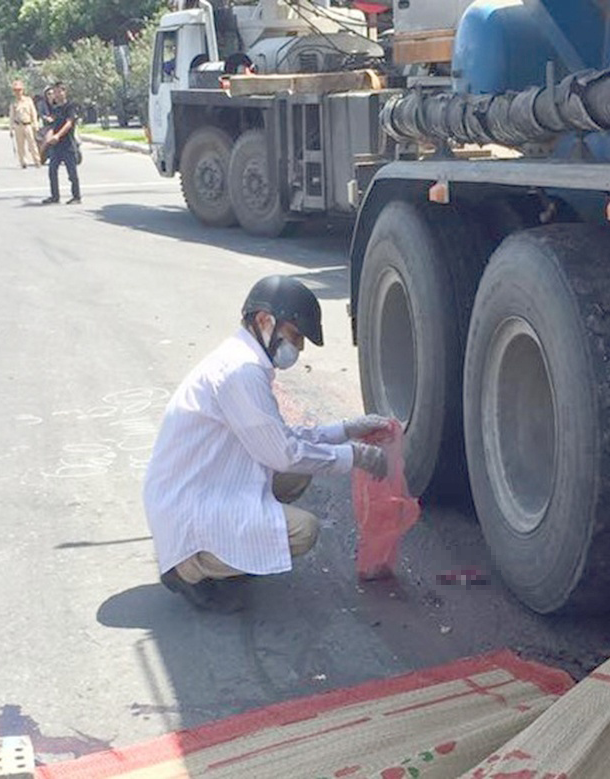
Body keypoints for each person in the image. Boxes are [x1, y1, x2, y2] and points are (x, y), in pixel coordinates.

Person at [143, 275, 392, 613]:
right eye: (295, 335)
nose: (299, 348)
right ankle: (189, 567)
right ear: (264, 321)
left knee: (299, 474)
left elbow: (281, 437)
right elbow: (284, 453)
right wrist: (355, 456)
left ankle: (227, 548)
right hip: (188, 504)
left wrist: (346, 429)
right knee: (304, 531)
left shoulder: (243, 361)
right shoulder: (240, 372)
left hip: (203, 485)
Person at [41, 83, 81, 205]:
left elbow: (69, 123)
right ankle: (55, 196)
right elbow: (54, 125)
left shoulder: (71, 107)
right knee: (52, 170)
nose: (57, 95)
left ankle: (76, 196)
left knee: (72, 173)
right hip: (56, 146)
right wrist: (49, 138)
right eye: (55, 92)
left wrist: (58, 136)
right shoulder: (55, 108)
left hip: (67, 144)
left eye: (59, 92)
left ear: (64, 92)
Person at [8, 80, 40, 169]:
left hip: (28, 125)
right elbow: (11, 116)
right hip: (18, 126)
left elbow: (33, 113)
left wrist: (35, 125)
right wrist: (11, 129)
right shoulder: (13, 103)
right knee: (20, 145)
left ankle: (37, 161)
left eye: (19, 90)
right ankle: (23, 162)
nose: (18, 92)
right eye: (16, 90)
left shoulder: (28, 101)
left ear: (23, 90)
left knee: (32, 144)